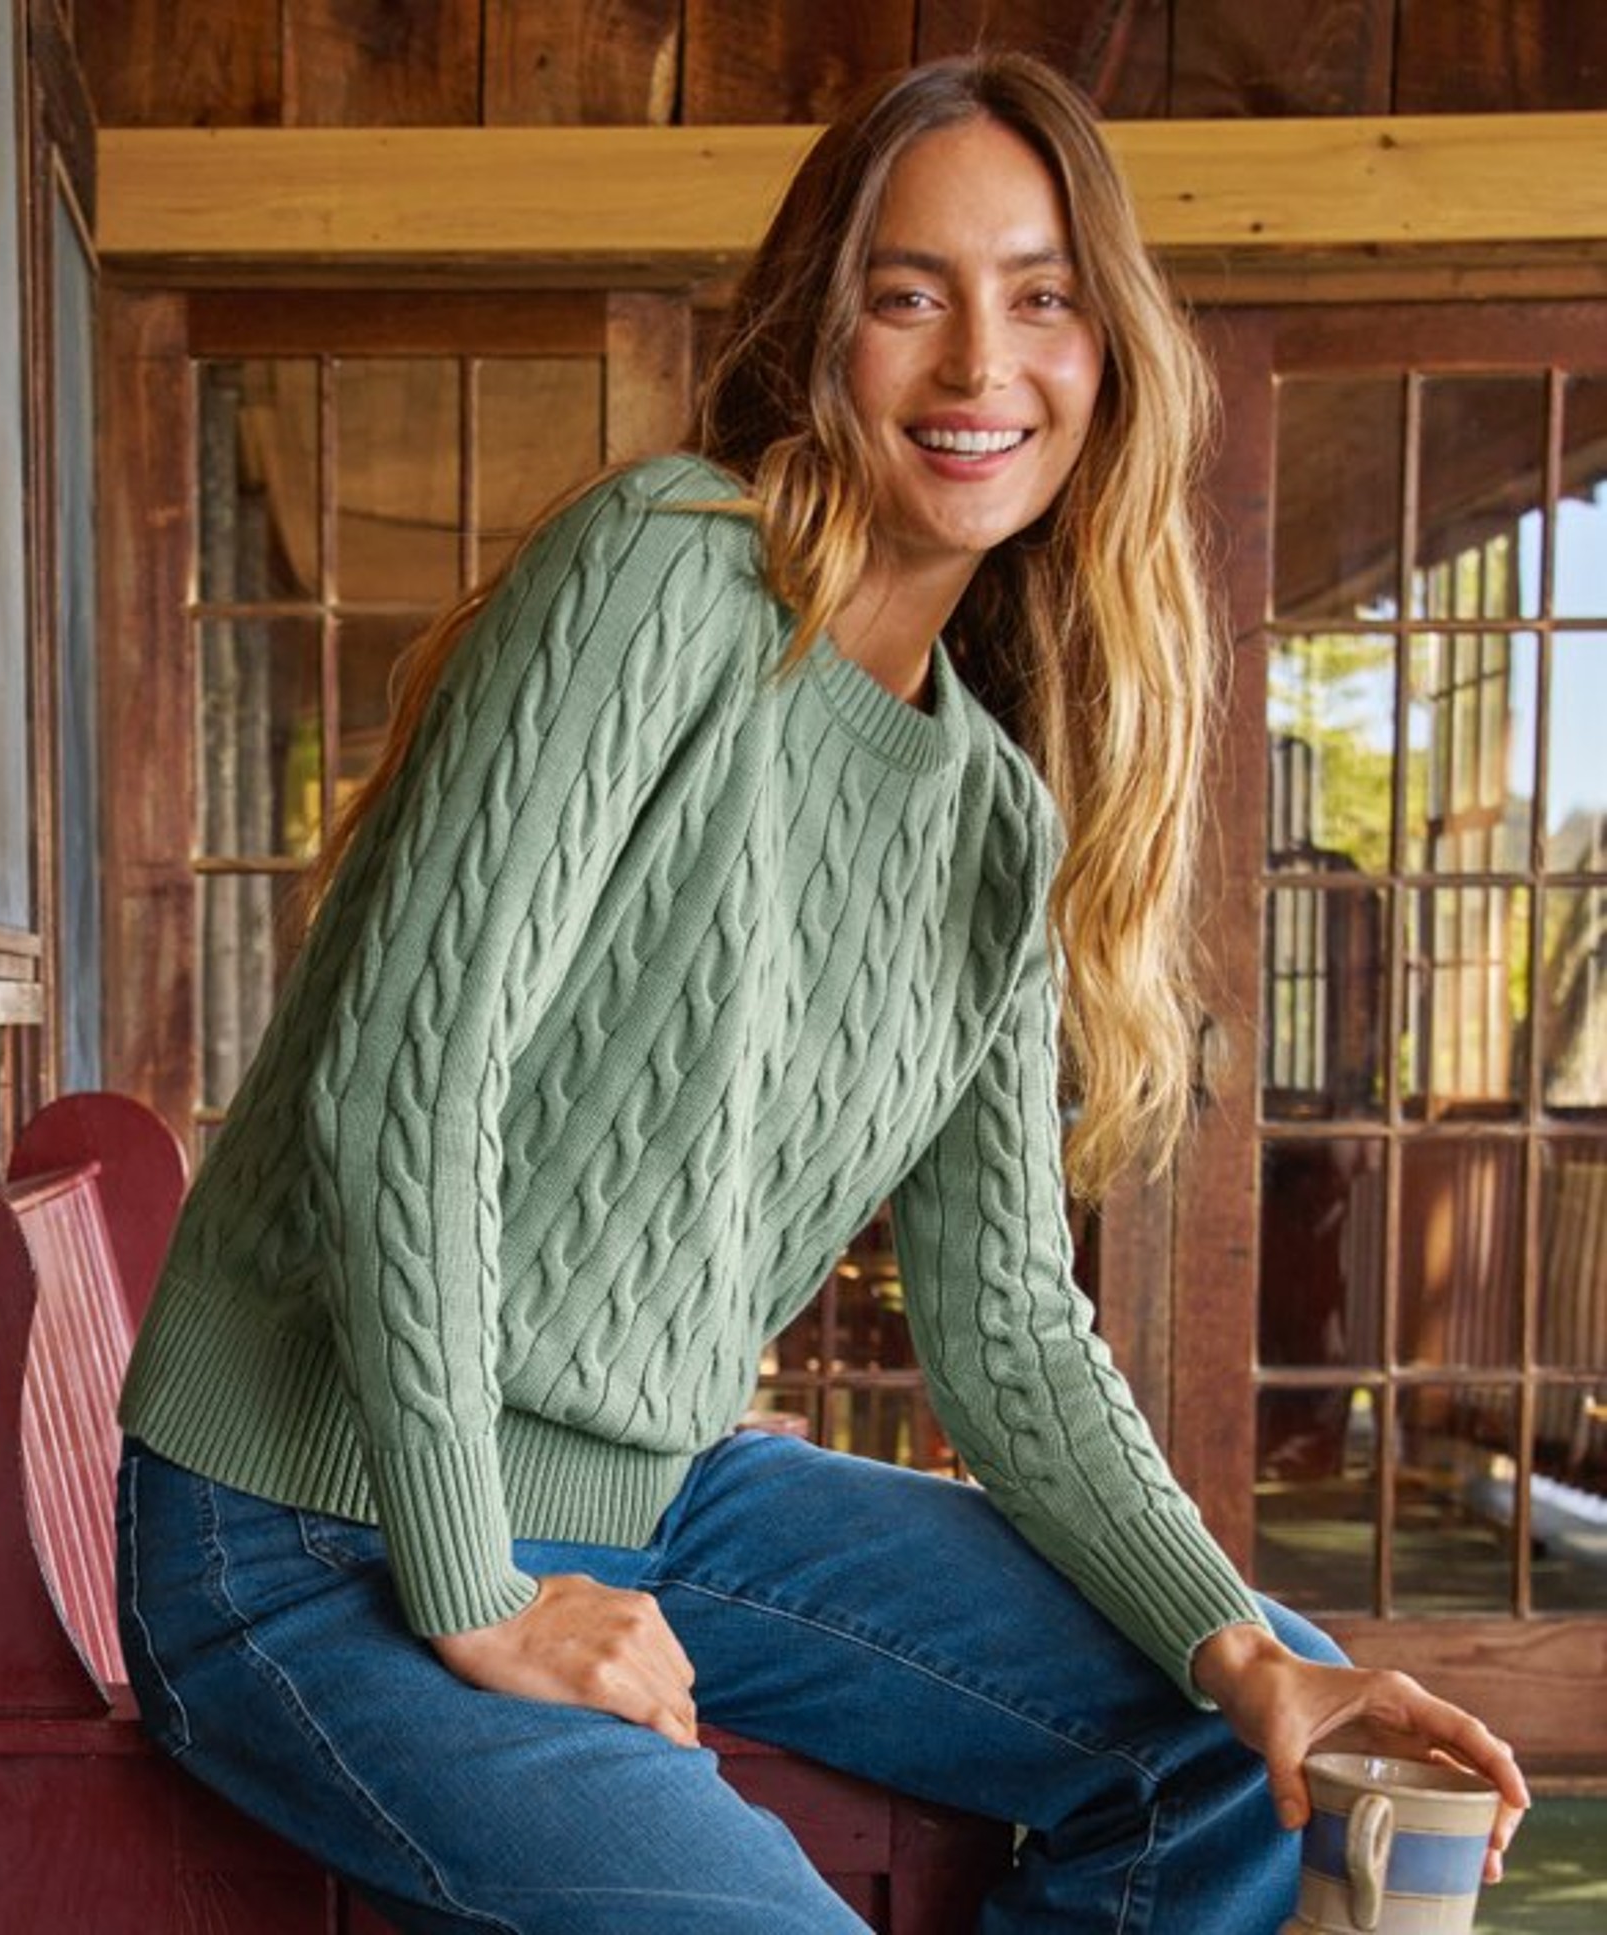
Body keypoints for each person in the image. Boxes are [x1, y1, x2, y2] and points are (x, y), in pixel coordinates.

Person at [115, 51, 1527, 1935]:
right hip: (310, 1518)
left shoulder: (993, 815)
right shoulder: (662, 573)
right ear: (816, 332)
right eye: (907, 295)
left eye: (1042, 300)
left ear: (1106, 364)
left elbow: (1011, 1325)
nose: (978, 369)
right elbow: (408, 1084)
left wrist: (1245, 1652)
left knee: (1237, 1711)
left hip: (667, 1496)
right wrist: (472, 1587)